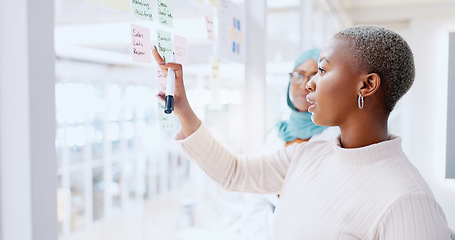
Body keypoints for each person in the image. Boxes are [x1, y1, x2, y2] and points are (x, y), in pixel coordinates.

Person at [153, 25, 453, 239]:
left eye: (321, 71)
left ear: (366, 85)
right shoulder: (309, 153)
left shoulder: (406, 200)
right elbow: (234, 173)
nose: (308, 84)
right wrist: (183, 110)